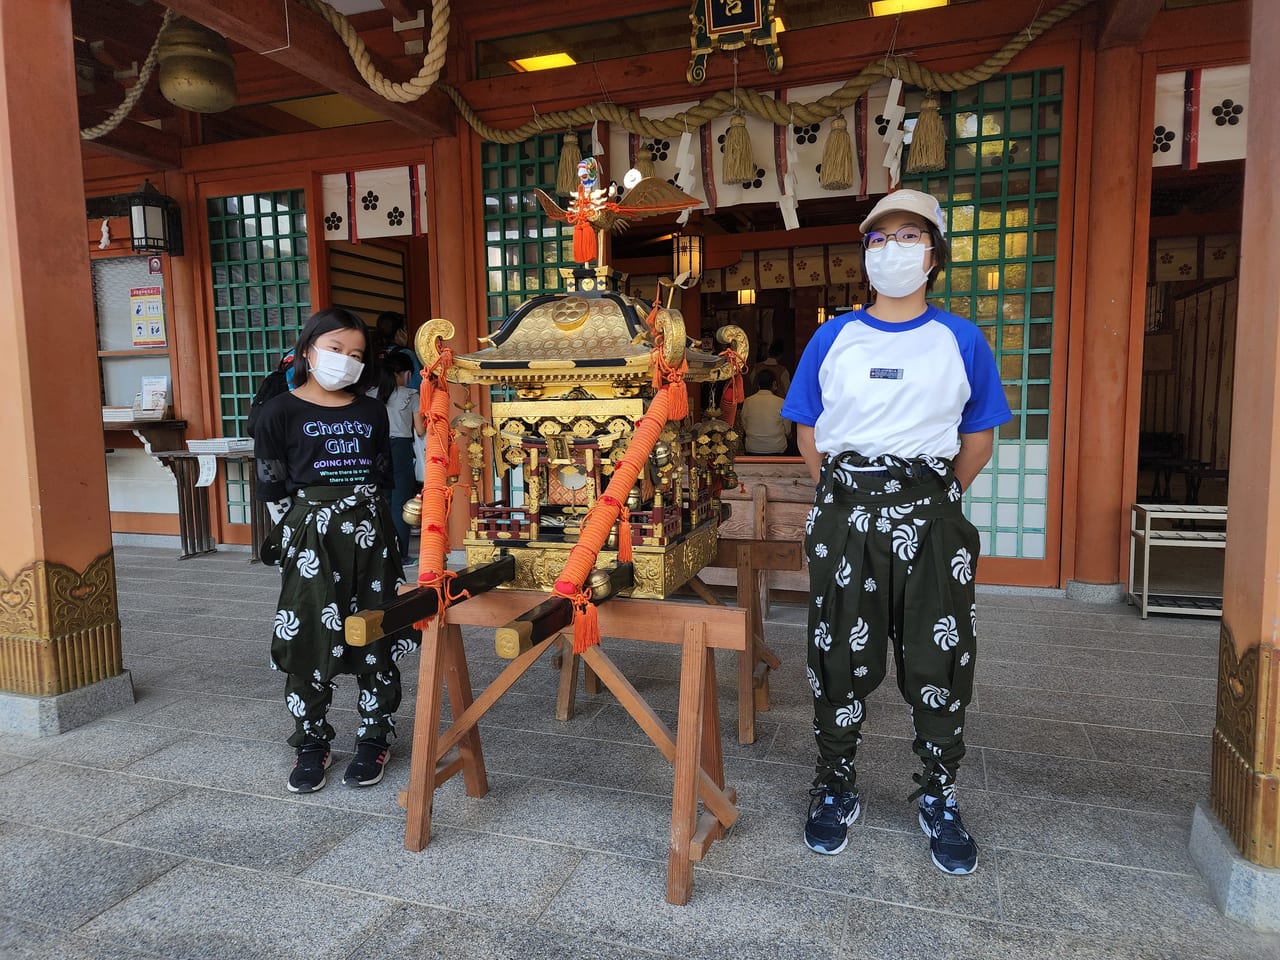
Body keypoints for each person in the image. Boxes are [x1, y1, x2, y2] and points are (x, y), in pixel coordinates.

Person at [780, 188, 1012, 875]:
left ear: (933, 254)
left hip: (932, 521)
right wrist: (852, 498)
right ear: (866, 254)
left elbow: (977, 441)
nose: (893, 250)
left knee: (939, 657)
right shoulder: (835, 337)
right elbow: (808, 433)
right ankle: (836, 784)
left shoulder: (960, 339)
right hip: (847, 516)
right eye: (879, 239)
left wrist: (929, 503)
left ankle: (939, 794)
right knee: (836, 654)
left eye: (908, 237)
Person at [254, 306, 419, 794]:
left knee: (375, 628)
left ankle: (375, 734)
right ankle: (311, 740)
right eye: (334, 349)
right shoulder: (278, 412)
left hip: (370, 534)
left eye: (356, 354)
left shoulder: (370, 410)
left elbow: (385, 477)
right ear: (308, 350)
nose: (344, 360)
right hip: (310, 538)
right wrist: (293, 544)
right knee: (309, 634)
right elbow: (272, 488)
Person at [370, 350, 425, 565]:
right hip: (400, 449)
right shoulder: (410, 395)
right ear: (404, 374)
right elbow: (420, 430)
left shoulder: (369, 395)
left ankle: (381, 552)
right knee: (401, 501)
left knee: (381, 500)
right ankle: (400, 554)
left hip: (375, 450)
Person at [739, 369, 794, 455]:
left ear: (758, 385)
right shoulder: (782, 402)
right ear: (774, 384)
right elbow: (787, 431)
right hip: (777, 448)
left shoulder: (748, 401)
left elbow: (745, 425)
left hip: (752, 448)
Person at [373, 310, 422, 391]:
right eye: (405, 329)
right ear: (399, 332)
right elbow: (418, 386)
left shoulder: (373, 352)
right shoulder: (406, 354)